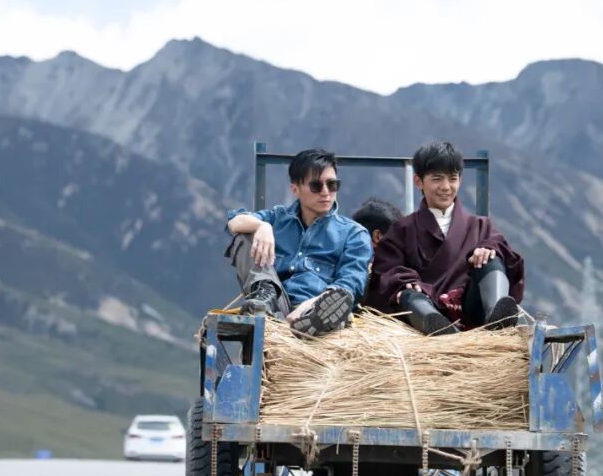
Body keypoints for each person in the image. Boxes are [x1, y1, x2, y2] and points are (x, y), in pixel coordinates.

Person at [371, 141, 524, 335]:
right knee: (406, 293)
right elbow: (386, 271)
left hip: (473, 309)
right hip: (425, 307)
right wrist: (403, 282)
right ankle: (440, 329)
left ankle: (496, 319)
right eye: (437, 179)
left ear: (460, 180)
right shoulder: (401, 230)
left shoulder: (481, 226)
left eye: (452, 179)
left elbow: (509, 260)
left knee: (492, 255)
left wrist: (488, 250)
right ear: (418, 181)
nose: (446, 187)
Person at [224, 148, 372, 336]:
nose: (326, 192)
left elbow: (350, 282)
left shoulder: (354, 234)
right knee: (245, 234)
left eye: (332, 184)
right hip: (275, 304)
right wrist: (262, 226)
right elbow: (233, 222)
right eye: (316, 186)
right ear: (295, 189)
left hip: (316, 304)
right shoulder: (277, 218)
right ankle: (264, 295)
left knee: (338, 300)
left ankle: (316, 319)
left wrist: (310, 306)